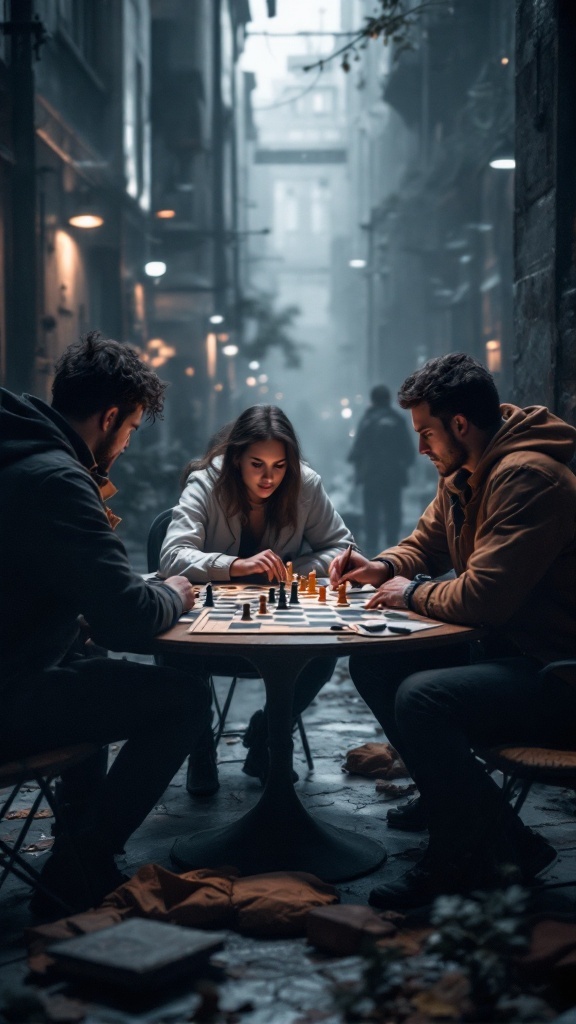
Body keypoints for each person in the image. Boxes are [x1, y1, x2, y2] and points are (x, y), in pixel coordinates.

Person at [330, 352, 576, 909]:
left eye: (425, 433)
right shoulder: (467, 470)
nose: (420, 447)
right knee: (375, 661)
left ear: (459, 426)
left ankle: (461, 856)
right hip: (514, 653)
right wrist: (384, 567)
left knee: (424, 698)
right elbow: (427, 543)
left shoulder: (528, 478)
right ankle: (496, 834)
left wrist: (410, 593)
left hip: (559, 673)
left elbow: (483, 599)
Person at [0, 333, 205, 917]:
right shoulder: (58, 480)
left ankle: (73, 854)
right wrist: (174, 591)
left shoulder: (16, 453)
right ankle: (80, 865)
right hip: (9, 694)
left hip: (18, 667)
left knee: (87, 668)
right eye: (132, 429)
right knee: (183, 700)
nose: (126, 445)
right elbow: (129, 621)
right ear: (111, 416)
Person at [159, 404, 356, 795]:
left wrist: (291, 568)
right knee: (179, 654)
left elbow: (342, 547)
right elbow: (172, 556)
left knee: (323, 654)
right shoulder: (205, 483)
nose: (269, 478)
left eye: (280, 466)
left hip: (279, 625)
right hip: (211, 632)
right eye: (257, 464)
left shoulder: (306, 485)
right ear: (235, 459)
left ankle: (266, 735)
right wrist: (235, 566)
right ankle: (201, 752)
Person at [348, 384, 415, 552]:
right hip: (393, 476)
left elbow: (357, 451)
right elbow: (409, 452)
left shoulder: (368, 420)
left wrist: (358, 473)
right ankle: (392, 545)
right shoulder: (397, 420)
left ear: (372, 400)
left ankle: (372, 548)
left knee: (371, 513)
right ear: (388, 399)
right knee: (393, 511)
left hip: (371, 476)